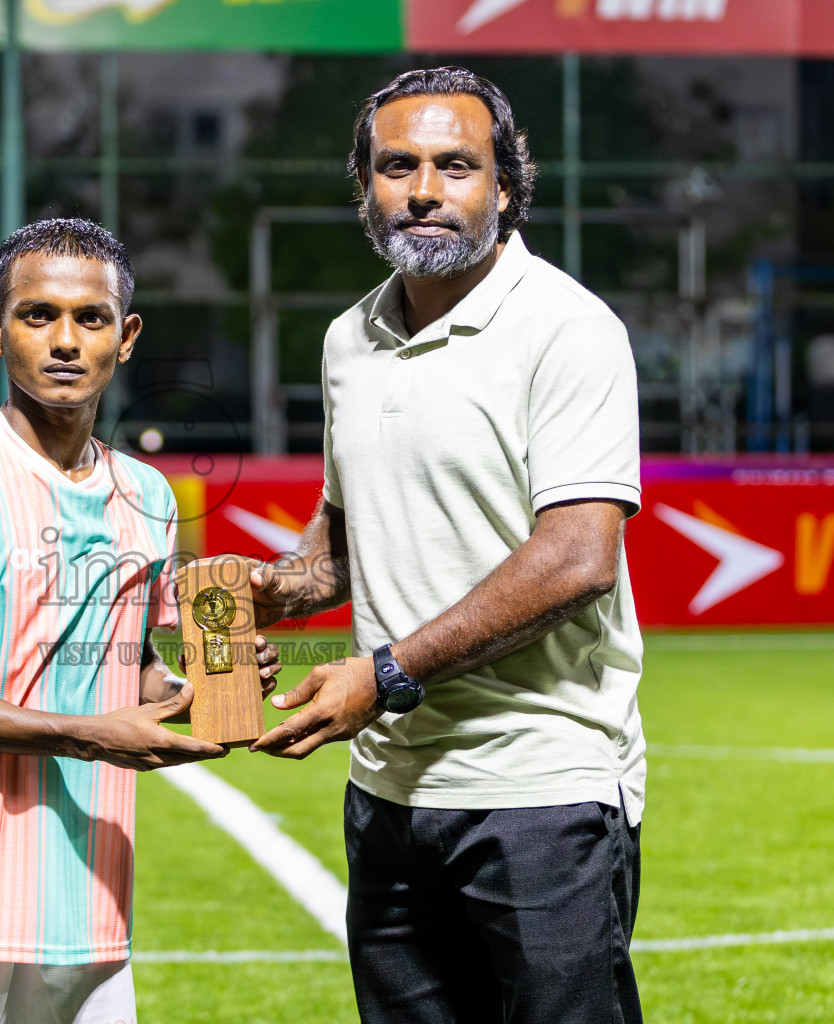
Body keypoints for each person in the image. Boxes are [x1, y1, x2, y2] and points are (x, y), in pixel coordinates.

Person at [248, 68, 646, 1023]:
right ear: (364, 185)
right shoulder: (352, 338)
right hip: (385, 791)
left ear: (504, 187)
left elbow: (577, 557)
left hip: (539, 790)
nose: (423, 189)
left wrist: (381, 674)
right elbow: (346, 535)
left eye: (456, 166)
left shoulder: (569, 329)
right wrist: (273, 591)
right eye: (397, 166)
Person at [0, 218, 280, 1024]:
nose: (65, 341)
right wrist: (89, 735)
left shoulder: (149, 496)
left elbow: (132, 670)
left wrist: (206, 690)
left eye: (92, 318)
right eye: (37, 315)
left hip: (86, 910)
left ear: (127, 337)